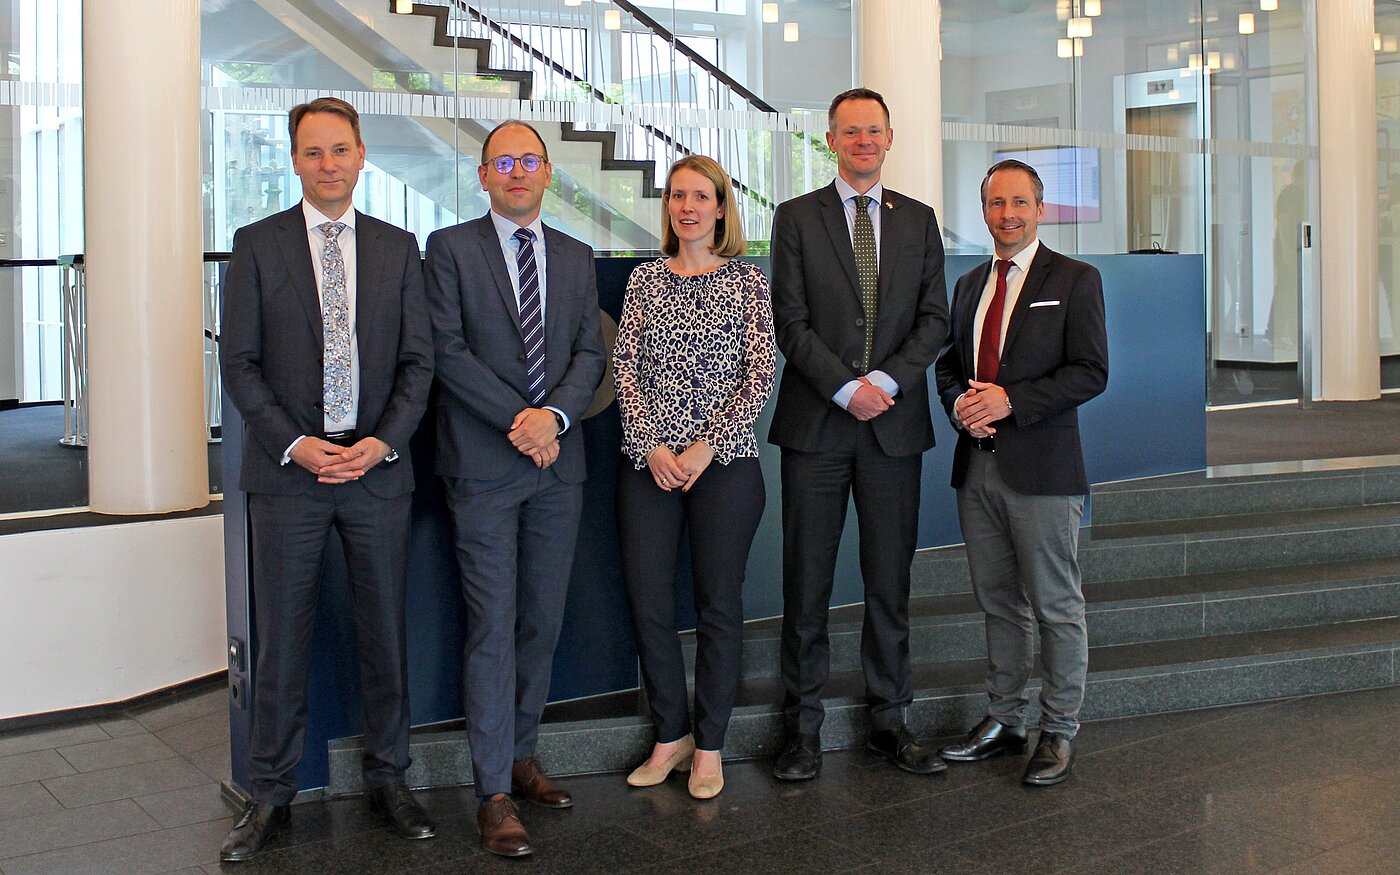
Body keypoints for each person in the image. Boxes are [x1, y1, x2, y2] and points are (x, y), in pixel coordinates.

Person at [219, 96, 436, 862]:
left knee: (385, 634)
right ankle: (270, 792)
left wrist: (381, 443)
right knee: (281, 640)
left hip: (376, 471)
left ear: (361, 154)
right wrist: (295, 443)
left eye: (340, 149)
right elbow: (239, 363)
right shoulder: (256, 245)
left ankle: (390, 778)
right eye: (313, 151)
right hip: (291, 476)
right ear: (294, 160)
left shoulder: (397, 247)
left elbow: (418, 362)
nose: (328, 163)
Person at [424, 120, 605, 857]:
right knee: (492, 626)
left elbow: (591, 352)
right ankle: (492, 791)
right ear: (483, 175)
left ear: (548, 172)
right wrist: (520, 420)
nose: (518, 172)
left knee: (541, 620)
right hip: (484, 466)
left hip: (558, 466)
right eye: (504, 161)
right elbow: (446, 350)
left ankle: (524, 754)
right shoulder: (449, 249)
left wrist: (553, 417)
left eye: (530, 160)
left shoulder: (576, 255)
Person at [767, 88, 949, 781]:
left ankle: (889, 721)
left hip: (892, 429)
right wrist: (847, 388)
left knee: (889, 583)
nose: (863, 141)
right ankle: (800, 730)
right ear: (831, 141)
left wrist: (886, 384)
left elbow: (934, 319)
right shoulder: (795, 217)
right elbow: (790, 321)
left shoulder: (919, 220)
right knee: (806, 584)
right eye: (851, 131)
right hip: (817, 425)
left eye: (874, 130)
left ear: (889, 138)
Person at [933, 159, 1108, 786]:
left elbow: (1091, 371)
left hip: (1042, 470)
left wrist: (1011, 401)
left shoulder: (1076, 278)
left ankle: (1058, 730)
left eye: (1019, 203)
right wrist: (960, 405)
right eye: (996, 203)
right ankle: (1005, 720)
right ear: (984, 211)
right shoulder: (968, 284)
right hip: (976, 468)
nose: (1007, 214)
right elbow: (948, 365)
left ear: (1040, 209)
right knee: (998, 603)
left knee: (1056, 606)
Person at [613, 156, 775, 801]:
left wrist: (707, 445)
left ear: (720, 208)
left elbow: (758, 373)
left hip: (724, 464)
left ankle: (709, 746)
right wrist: (653, 444)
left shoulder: (747, 281)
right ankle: (670, 736)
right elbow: (625, 369)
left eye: (700, 196)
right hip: (649, 464)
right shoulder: (645, 279)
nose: (687, 206)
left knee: (718, 606)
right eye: (677, 196)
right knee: (648, 602)